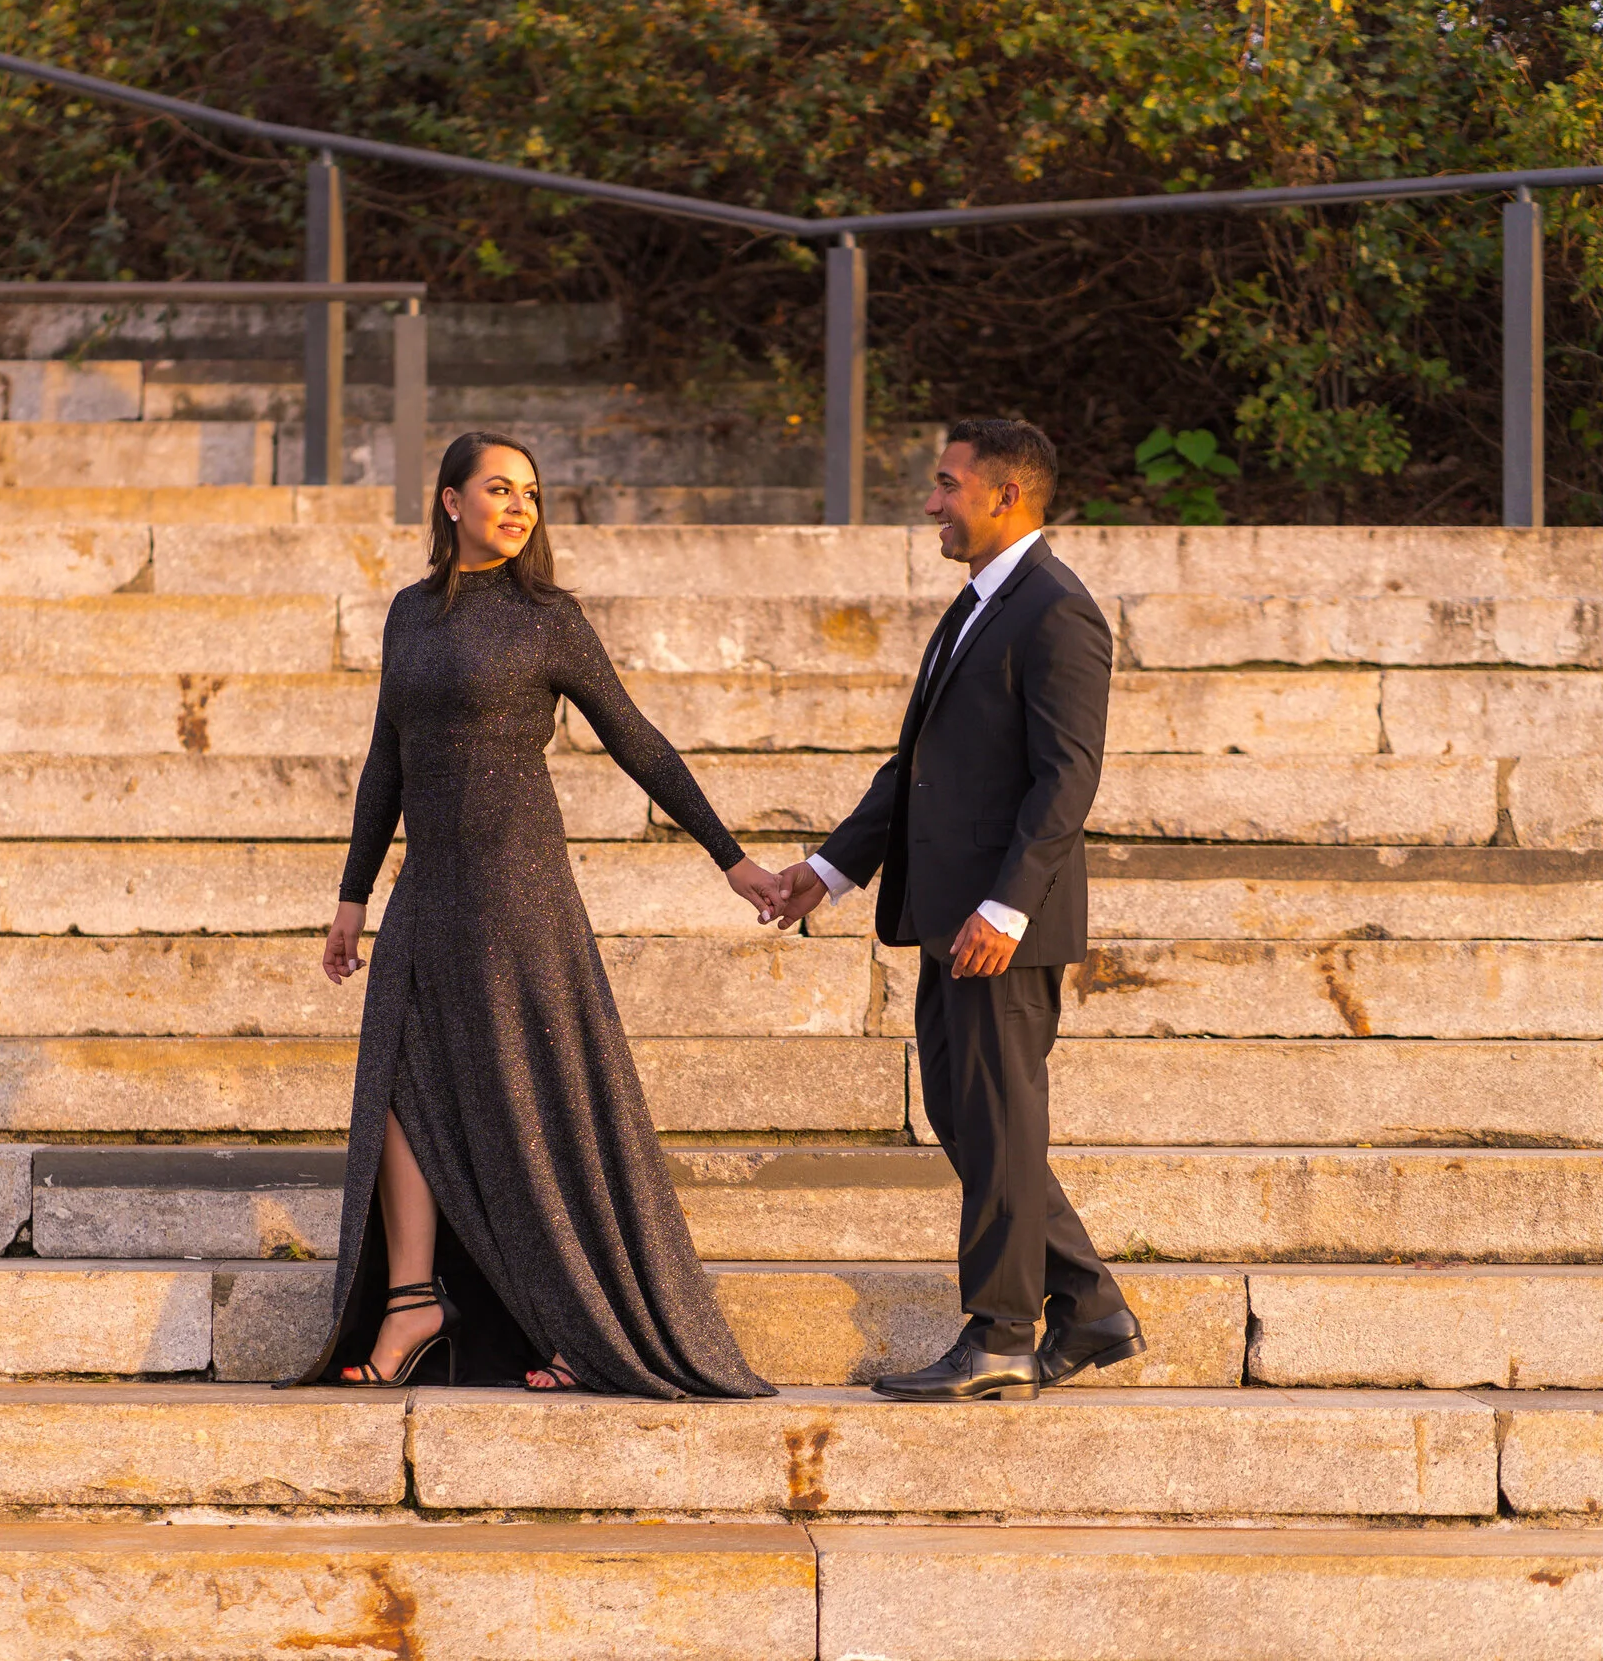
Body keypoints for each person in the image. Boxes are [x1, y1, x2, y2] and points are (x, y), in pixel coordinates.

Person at [290, 430, 784, 1399]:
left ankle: (577, 1323)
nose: (519, 506)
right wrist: (351, 896)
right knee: (395, 1081)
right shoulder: (409, 613)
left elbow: (637, 739)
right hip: (427, 887)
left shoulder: (547, 617)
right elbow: (387, 758)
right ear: (450, 501)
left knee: (529, 1100)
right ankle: (411, 1300)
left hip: (516, 888)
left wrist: (731, 858)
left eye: (530, 493)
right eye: (499, 488)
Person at [773, 418, 1146, 1402]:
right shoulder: (980, 604)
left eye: (947, 484)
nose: (932, 502)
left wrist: (1008, 907)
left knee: (996, 1119)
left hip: (998, 926)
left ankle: (1002, 1334)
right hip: (952, 915)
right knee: (969, 1114)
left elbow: (1067, 780)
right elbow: (918, 768)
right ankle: (1090, 1307)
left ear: (1005, 494)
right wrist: (830, 867)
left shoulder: (1057, 612)